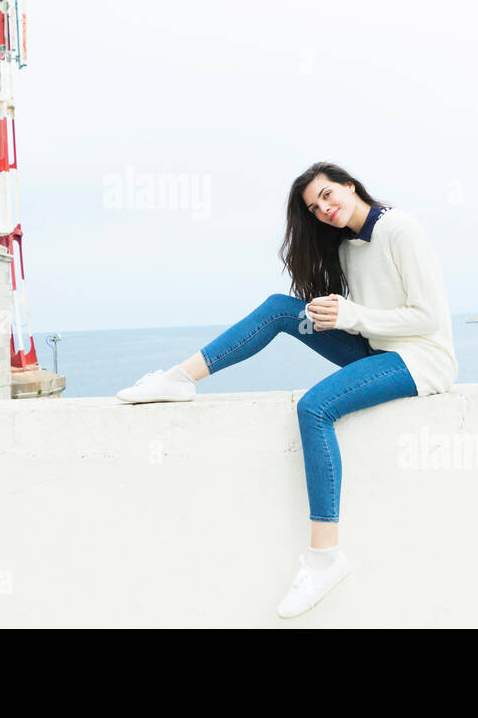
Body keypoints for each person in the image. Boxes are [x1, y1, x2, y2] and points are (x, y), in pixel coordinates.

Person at [115, 160, 459, 618]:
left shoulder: (400, 229)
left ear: (350, 186)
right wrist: (350, 318)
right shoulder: (348, 248)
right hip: (378, 350)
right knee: (281, 309)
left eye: (328, 196)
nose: (324, 209)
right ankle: (179, 379)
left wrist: (352, 317)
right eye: (315, 207)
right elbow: (362, 316)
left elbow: (428, 317)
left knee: (316, 407)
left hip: (421, 359)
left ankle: (324, 559)